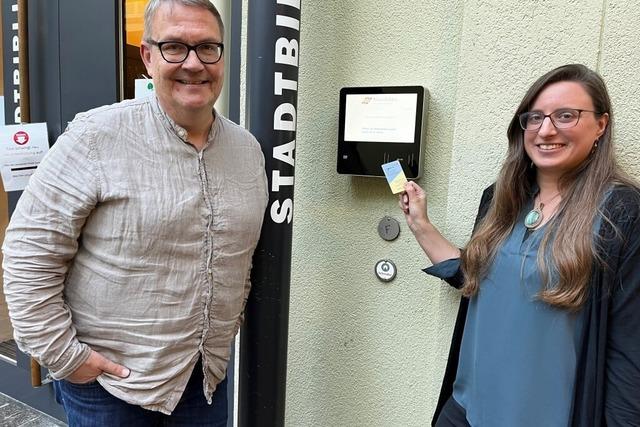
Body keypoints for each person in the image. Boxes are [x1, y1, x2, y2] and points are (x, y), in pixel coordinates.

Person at [2, 0, 268, 425]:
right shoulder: (96, 136)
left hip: (204, 381)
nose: (193, 63)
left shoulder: (247, 151)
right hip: (109, 388)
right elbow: (28, 255)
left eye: (207, 48)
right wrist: (68, 357)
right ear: (148, 56)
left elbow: (241, 256)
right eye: (174, 47)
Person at [400, 64, 640, 426]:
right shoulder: (500, 199)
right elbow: (474, 277)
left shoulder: (621, 213)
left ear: (601, 125)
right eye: (535, 117)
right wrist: (420, 223)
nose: (546, 130)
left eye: (566, 116)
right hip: (465, 411)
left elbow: (629, 351)